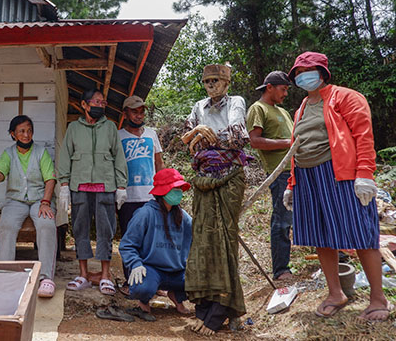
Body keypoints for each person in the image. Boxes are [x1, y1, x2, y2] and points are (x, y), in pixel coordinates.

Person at [283, 51, 392, 321]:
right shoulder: (302, 108)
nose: (301, 76)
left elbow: (363, 136)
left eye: (306, 71)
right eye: (297, 73)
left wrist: (365, 174)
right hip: (307, 178)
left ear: (322, 72)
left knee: (361, 232)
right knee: (320, 235)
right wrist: (291, 183)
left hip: (338, 174)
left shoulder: (345, 97)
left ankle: (378, 299)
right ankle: (336, 293)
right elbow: (297, 147)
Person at [181, 64, 251, 335]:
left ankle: (222, 310)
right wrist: (198, 131)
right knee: (202, 241)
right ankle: (204, 308)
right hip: (202, 179)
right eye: (207, 81)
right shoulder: (199, 106)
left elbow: (237, 137)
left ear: (226, 83)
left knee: (224, 240)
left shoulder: (236, 102)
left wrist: (200, 136)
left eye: (216, 81)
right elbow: (186, 140)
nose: (211, 86)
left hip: (229, 177)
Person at [57, 89, 128, 295]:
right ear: (85, 105)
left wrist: (121, 186)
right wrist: (63, 185)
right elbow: (65, 156)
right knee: (80, 229)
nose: (100, 106)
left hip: (105, 185)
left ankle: (105, 275)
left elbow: (118, 156)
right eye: (96, 102)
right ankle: (83, 274)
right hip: (79, 186)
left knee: (106, 230)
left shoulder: (110, 128)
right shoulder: (73, 128)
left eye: (102, 103)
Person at [0, 115, 58, 298]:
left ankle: (46, 278)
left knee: (46, 224)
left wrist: (46, 202)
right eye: (22, 131)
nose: (26, 135)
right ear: (13, 134)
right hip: (16, 200)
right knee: (7, 225)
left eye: (29, 130)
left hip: (40, 199)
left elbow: (50, 179)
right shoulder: (8, 153)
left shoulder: (41, 152)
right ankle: (4, 272)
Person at [119, 168, 193, 321]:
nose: (179, 192)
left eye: (180, 188)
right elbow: (127, 244)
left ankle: (177, 296)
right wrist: (135, 264)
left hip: (178, 271)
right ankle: (144, 300)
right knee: (142, 286)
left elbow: (196, 245)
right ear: (163, 191)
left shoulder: (184, 217)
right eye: (175, 188)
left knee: (201, 281)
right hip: (151, 269)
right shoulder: (145, 214)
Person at [246, 71, 294, 281]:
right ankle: (281, 270)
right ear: (269, 87)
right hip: (279, 172)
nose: (285, 94)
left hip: (296, 170)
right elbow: (255, 141)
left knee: (304, 215)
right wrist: (287, 143)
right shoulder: (258, 108)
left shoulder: (283, 112)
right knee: (282, 220)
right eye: (283, 89)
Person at [117, 95, 164, 295]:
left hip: (150, 196)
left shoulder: (152, 134)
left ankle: (156, 281)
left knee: (152, 240)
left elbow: (159, 164)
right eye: (134, 111)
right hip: (127, 197)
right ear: (125, 113)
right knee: (130, 239)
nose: (139, 115)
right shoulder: (118, 137)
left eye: (142, 111)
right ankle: (130, 281)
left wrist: (162, 191)